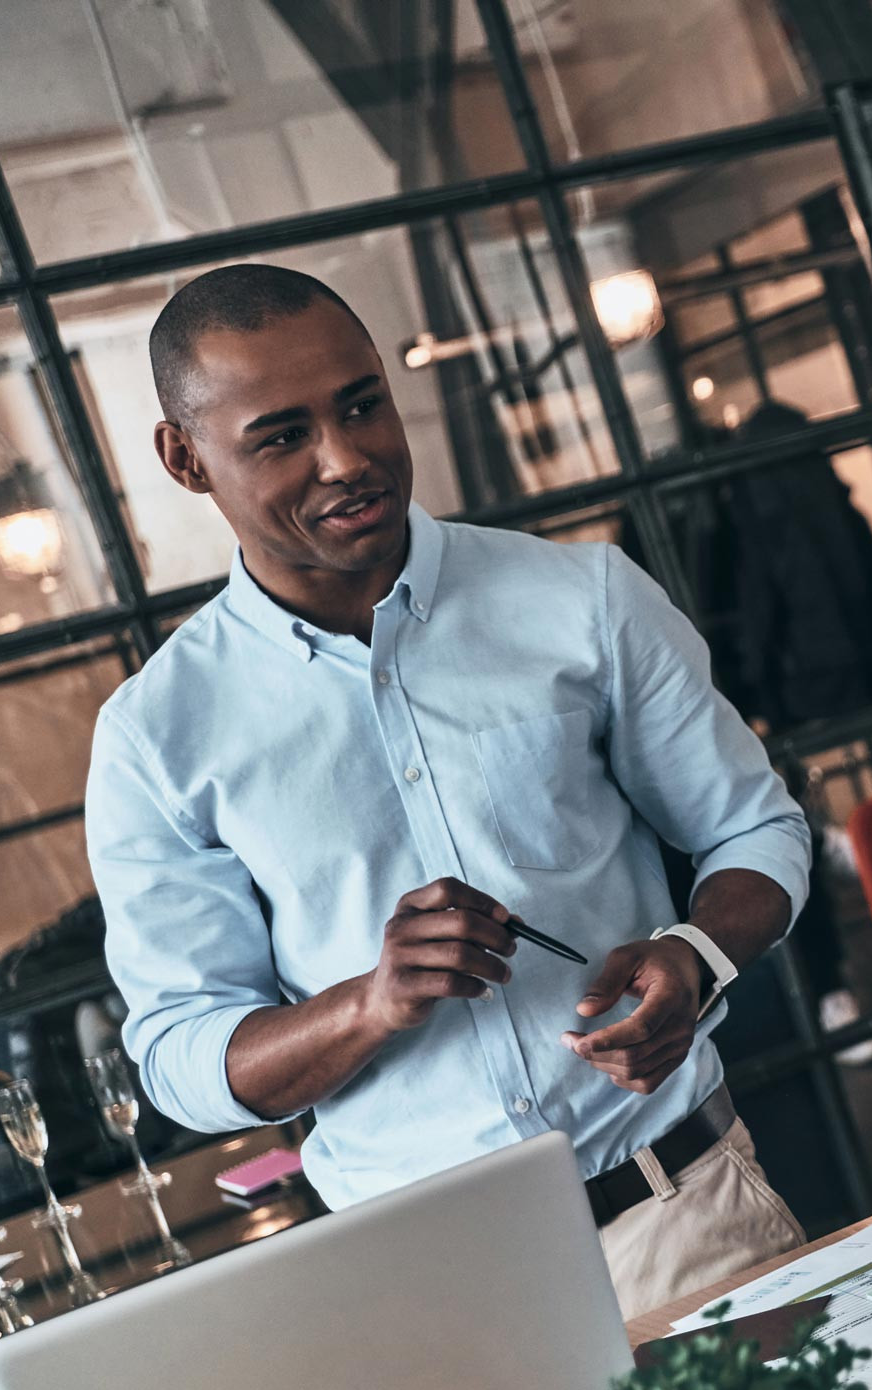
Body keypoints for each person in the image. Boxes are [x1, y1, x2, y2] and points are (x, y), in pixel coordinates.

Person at [84, 265, 815, 1317]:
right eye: (282, 436)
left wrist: (696, 958)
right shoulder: (158, 737)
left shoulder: (585, 599)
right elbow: (181, 1054)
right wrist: (368, 1005)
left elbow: (755, 829)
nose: (347, 459)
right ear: (185, 459)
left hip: (688, 1222)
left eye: (362, 404)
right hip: (431, 1298)